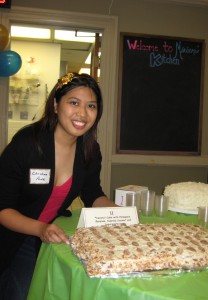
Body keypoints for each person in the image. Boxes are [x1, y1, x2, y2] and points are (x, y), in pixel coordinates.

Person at [0, 72, 115, 300]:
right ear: (55, 104)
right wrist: (41, 229)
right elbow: (2, 209)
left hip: (50, 234)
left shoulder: (89, 150)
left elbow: (93, 195)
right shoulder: (27, 143)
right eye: (74, 103)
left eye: (91, 106)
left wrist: (118, 213)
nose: (82, 113)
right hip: (14, 236)